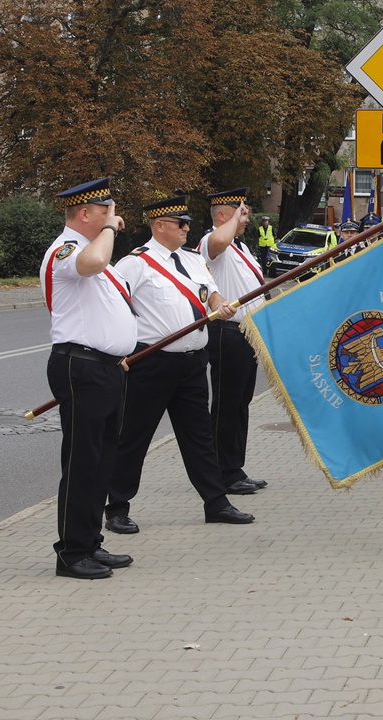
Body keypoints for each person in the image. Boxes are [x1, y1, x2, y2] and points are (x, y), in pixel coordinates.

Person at [104, 195, 255, 533]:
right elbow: (112, 307)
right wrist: (117, 352)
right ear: (159, 226)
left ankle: (216, 502)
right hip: (151, 363)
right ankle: (117, 508)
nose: (187, 228)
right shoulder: (135, 263)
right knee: (134, 437)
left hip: (191, 363)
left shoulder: (192, 260)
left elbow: (210, 294)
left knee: (198, 436)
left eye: (188, 222)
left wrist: (221, 304)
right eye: (180, 223)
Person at [40, 177, 138, 579]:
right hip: (79, 366)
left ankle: (90, 542)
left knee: (101, 462)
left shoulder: (92, 251)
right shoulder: (66, 249)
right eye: (105, 212)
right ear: (85, 214)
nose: (113, 219)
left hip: (106, 367)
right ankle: (71, 552)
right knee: (82, 462)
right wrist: (111, 229)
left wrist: (117, 349)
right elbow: (92, 264)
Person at [198, 189, 268, 496]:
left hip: (247, 335)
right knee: (227, 404)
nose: (247, 217)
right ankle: (222, 472)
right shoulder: (211, 242)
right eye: (241, 211)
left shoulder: (240, 247)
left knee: (240, 403)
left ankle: (234, 467)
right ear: (223, 215)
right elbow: (218, 242)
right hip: (227, 333)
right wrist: (232, 219)